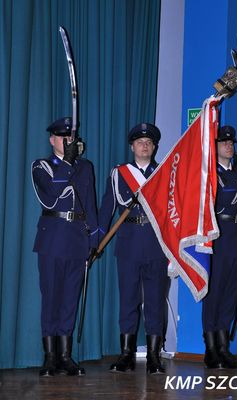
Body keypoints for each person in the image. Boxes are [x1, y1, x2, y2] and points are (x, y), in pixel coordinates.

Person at [98, 123, 168, 374]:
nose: (145, 145)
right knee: (127, 300)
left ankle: (153, 356)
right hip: (128, 242)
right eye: (140, 142)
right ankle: (126, 354)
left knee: (155, 302)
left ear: (154, 147)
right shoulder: (119, 174)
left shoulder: (163, 172)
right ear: (132, 146)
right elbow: (107, 208)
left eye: (149, 142)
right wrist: (96, 239)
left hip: (156, 243)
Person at [31, 117, 99, 377]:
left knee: (70, 299)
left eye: (70, 137)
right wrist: (68, 164)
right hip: (53, 239)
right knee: (51, 298)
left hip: (78, 240)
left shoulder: (86, 167)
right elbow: (50, 196)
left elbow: (90, 205)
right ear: (52, 140)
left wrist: (93, 239)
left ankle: (66, 356)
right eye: (62, 137)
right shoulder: (42, 166)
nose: (67, 141)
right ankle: (49, 357)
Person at [202, 125, 237, 369]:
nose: (229, 145)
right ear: (214, 147)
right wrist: (235, 172)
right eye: (223, 142)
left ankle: (224, 348)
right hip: (218, 238)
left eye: (231, 142)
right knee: (214, 294)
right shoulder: (210, 175)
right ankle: (211, 348)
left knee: (231, 295)